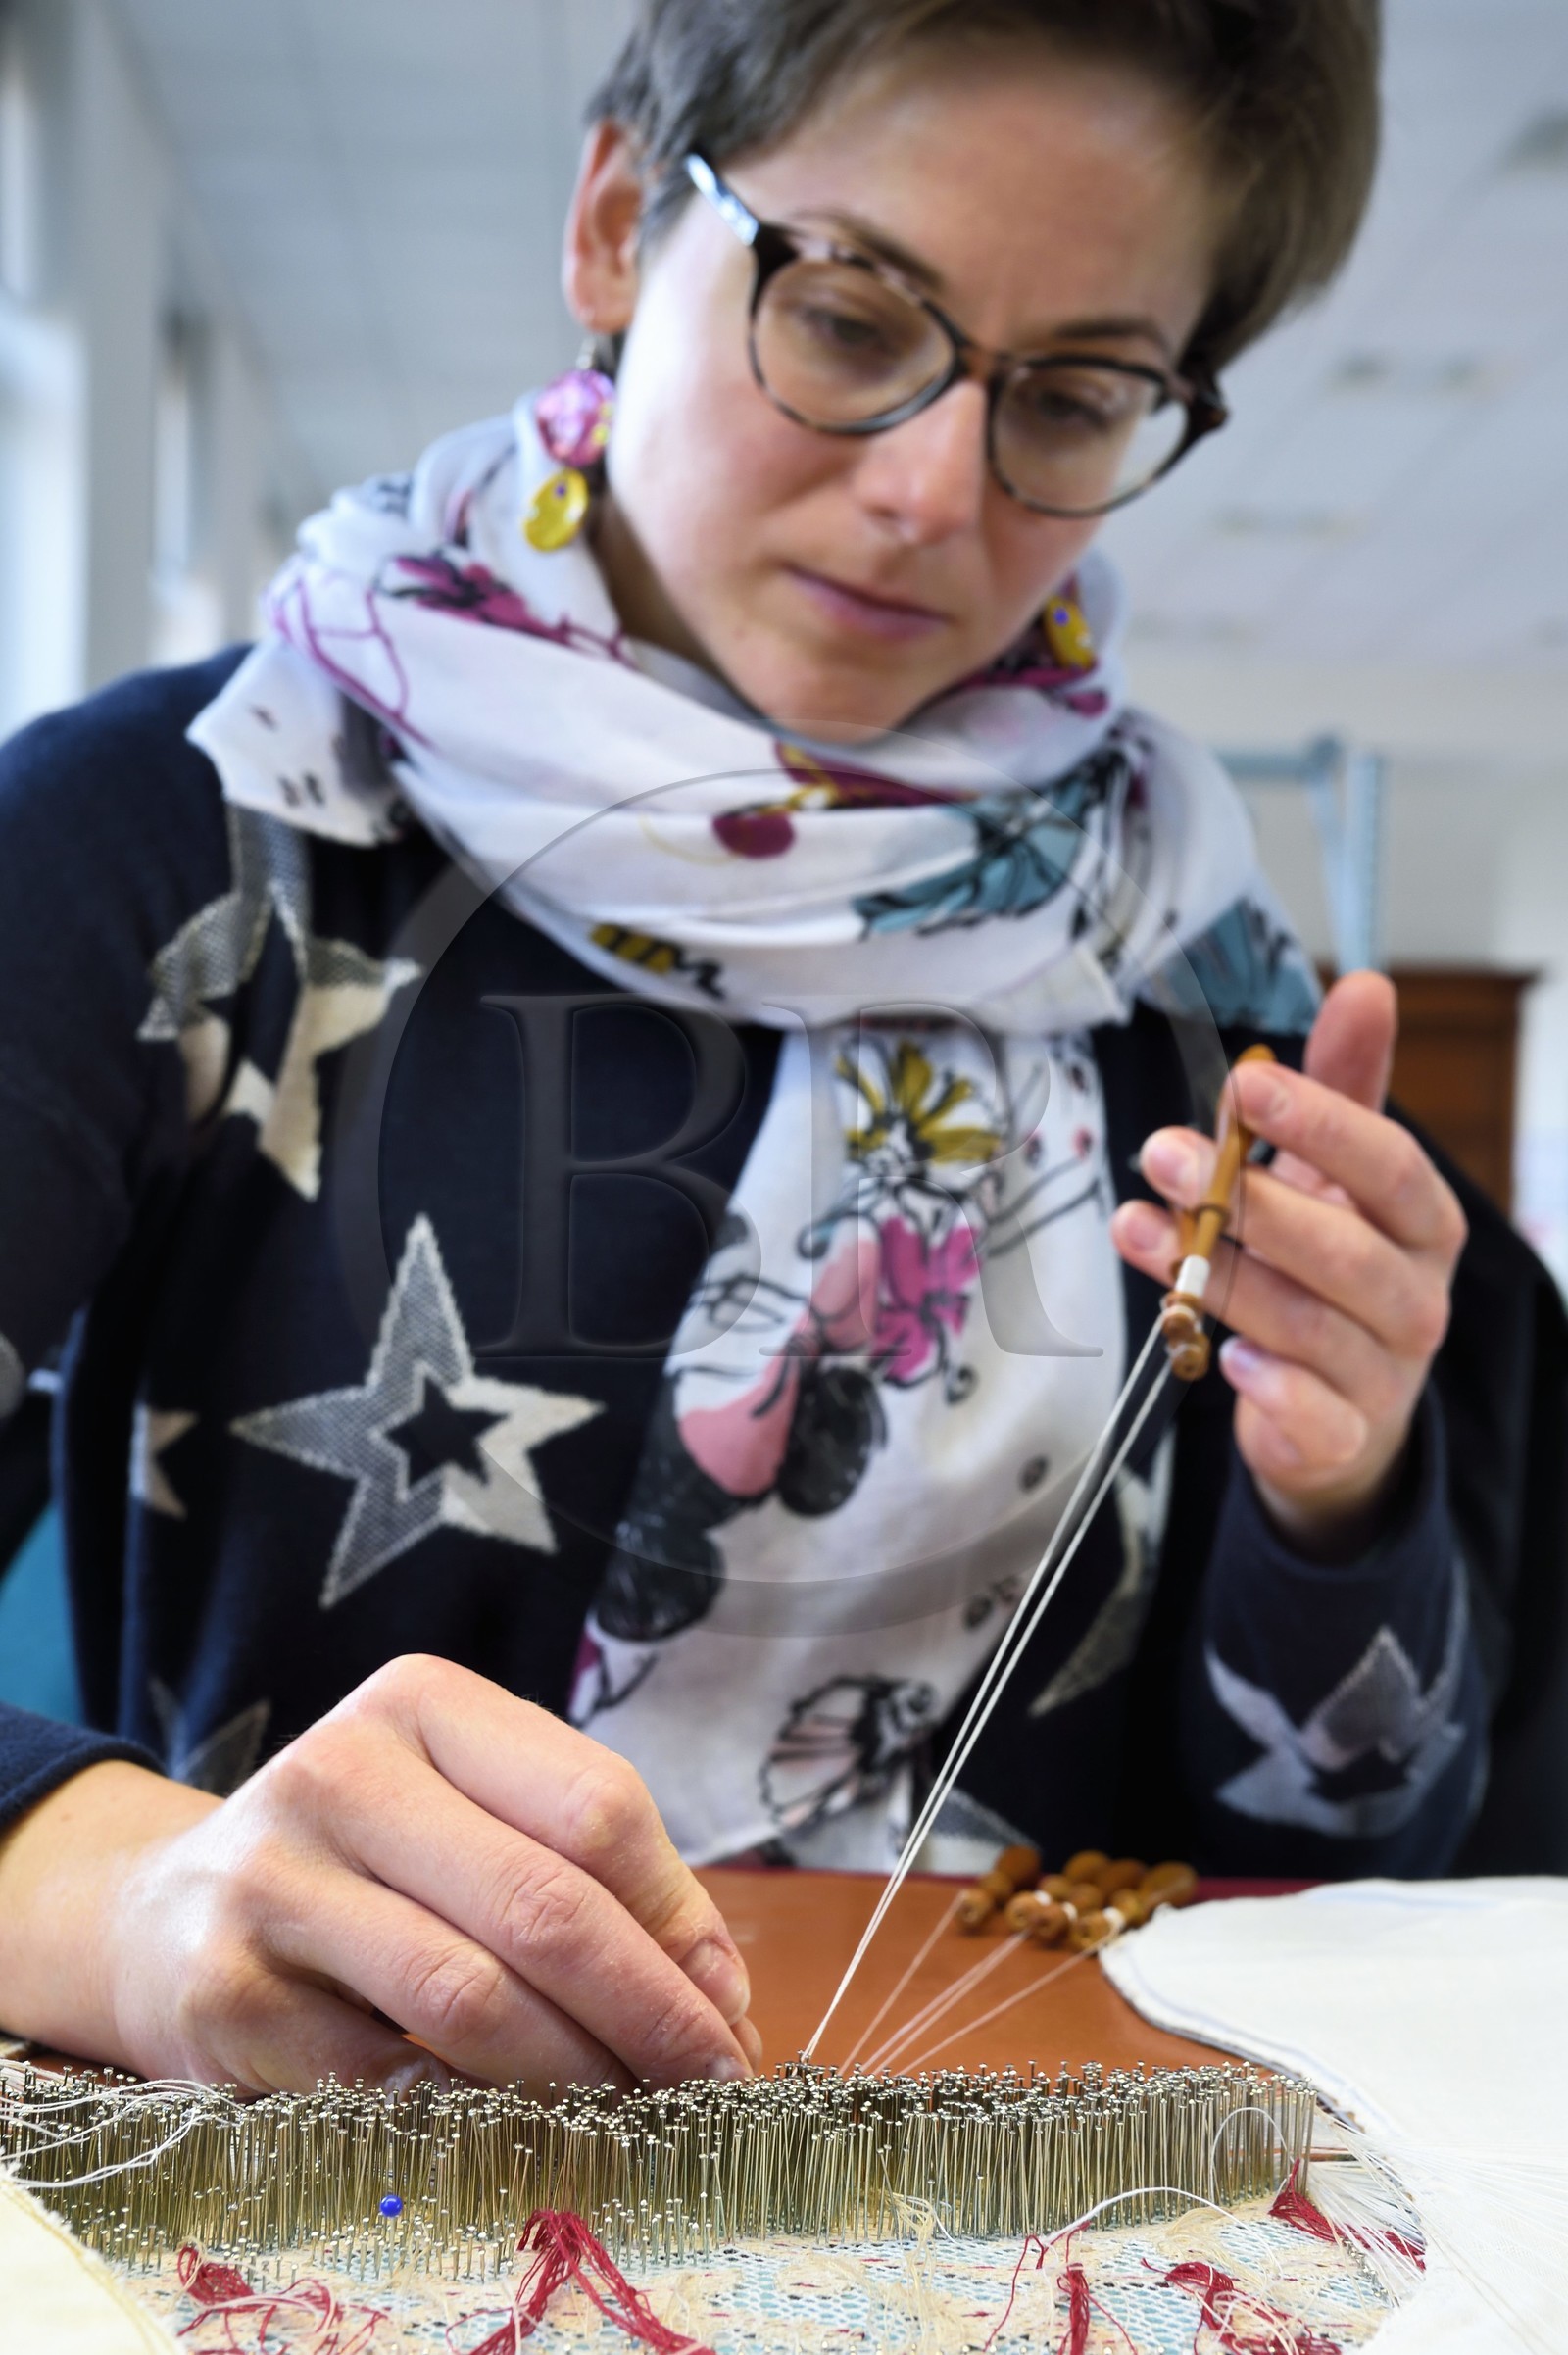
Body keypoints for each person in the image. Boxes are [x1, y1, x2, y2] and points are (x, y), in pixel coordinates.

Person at [0, 0, 1544, 2103]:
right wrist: (142, 1901)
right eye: (844, 317)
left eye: (1076, 393)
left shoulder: (1205, 996)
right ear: (621, 220)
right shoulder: (194, 845)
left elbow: (1361, 1873)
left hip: (1021, 2220)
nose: (929, 491)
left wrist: (1336, 1498)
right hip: (347, 2187)